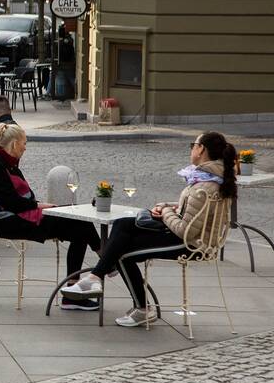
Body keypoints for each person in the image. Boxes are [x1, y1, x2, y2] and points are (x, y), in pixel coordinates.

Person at [62, 132, 237, 327]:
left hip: (191, 244)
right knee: (123, 224)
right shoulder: (210, 179)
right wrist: (165, 206)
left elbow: (183, 229)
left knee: (122, 252)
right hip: (188, 236)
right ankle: (99, 274)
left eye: (193, 145)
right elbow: (188, 210)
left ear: (201, 149)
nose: (191, 149)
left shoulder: (204, 185)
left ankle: (137, 305)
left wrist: (164, 213)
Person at [0, 123, 102, 311]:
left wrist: (40, 206)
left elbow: (21, 200)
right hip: (7, 222)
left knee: (80, 226)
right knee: (80, 226)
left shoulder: (7, 164)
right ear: (14, 144)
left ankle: (79, 286)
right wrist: (40, 206)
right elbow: (12, 203)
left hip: (18, 216)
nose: (26, 147)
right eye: (24, 143)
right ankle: (104, 263)